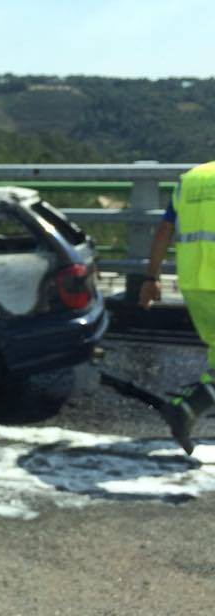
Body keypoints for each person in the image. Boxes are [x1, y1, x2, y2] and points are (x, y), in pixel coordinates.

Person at [139, 161, 215, 455]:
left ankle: (189, 407)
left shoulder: (191, 179)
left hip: (194, 280)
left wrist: (151, 277)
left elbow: (164, 230)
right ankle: (185, 408)